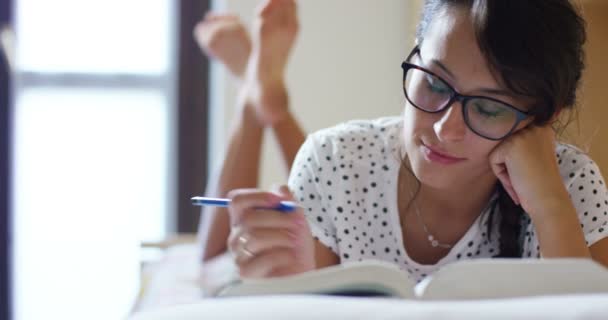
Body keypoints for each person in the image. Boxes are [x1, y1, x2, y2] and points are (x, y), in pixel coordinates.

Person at [198, 0, 608, 281]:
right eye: (433, 82)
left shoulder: (571, 184)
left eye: (488, 108)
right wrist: (291, 283)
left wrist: (550, 206)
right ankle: (257, 103)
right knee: (212, 264)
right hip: (341, 165)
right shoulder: (335, 158)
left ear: (542, 119)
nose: (445, 128)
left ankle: (259, 100)